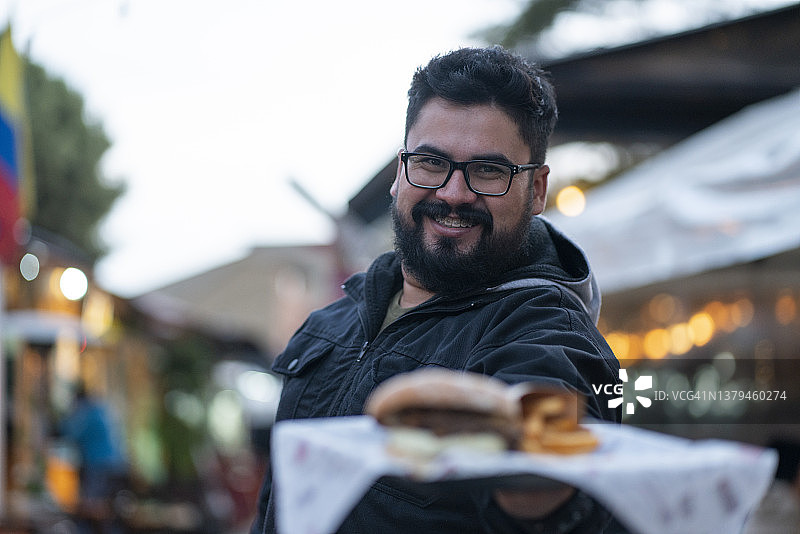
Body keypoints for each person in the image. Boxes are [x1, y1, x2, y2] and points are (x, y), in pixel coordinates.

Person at [251, 46, 622, 533]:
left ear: (536, 190)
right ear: (400, 171)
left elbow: (558, 476)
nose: (453, 193)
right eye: (430, 162)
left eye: (489, 171)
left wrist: (541, 484)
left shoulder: (547, 334)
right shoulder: (330, 324)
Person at [62, 382, 128, 534]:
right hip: (115, 463)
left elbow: (71, 434)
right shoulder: (103, 409)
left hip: (98, 464)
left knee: (92, 506)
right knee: (107, 507)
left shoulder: (86, 412)